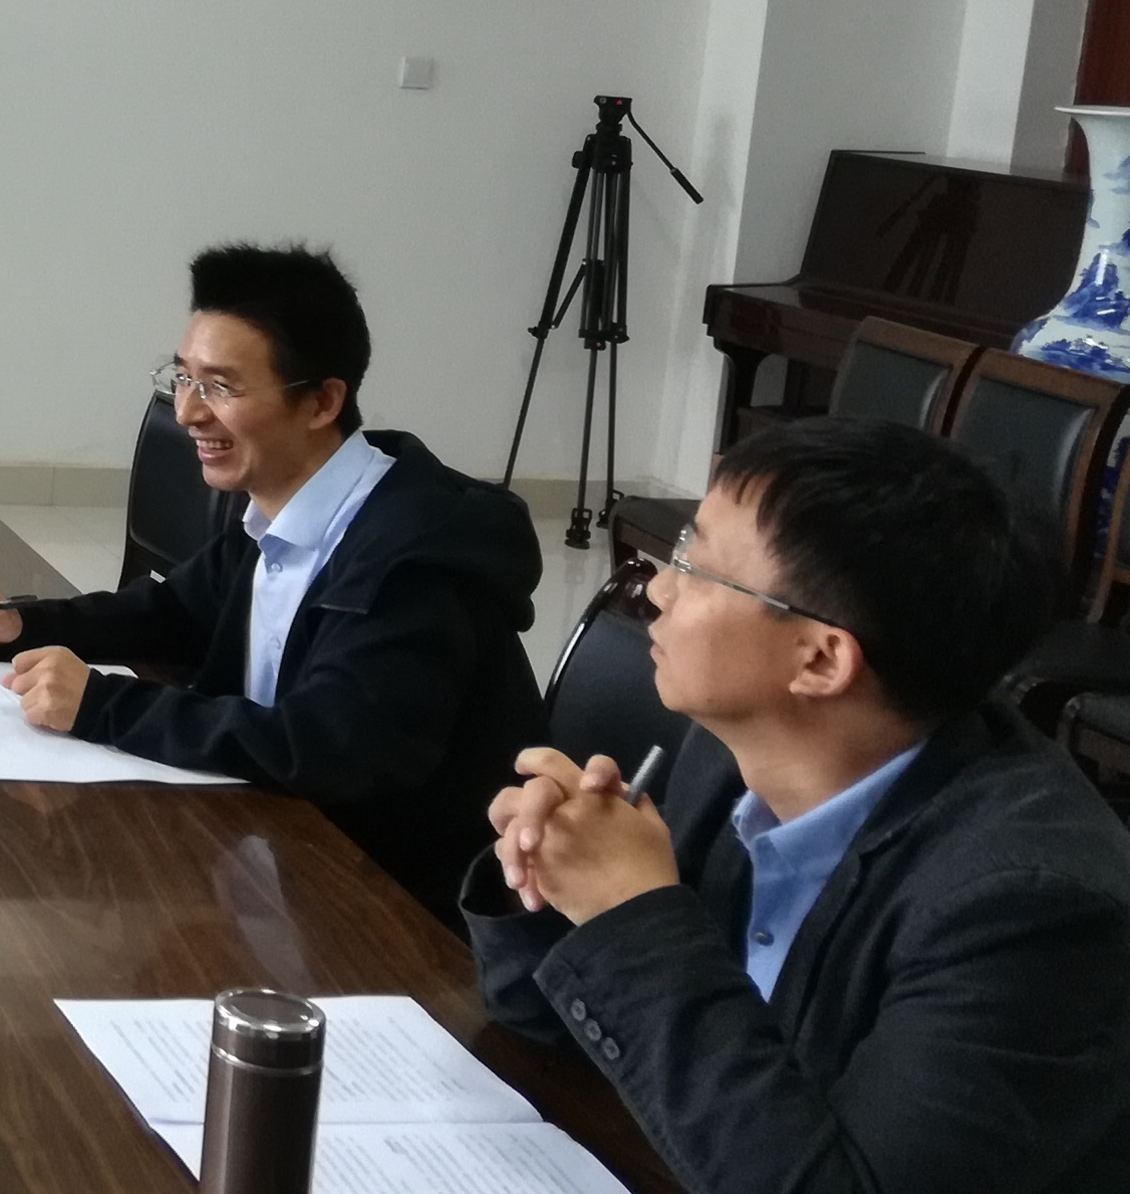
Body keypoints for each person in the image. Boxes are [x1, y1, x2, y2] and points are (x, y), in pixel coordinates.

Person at [472, 418, 1130, 1193]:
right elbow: (544, 1021)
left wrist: (631, 915)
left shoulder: (1030, 908)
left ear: (820, 660)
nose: (656, 587)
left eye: (698, 568)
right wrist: (551, 872)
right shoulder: (735, 751)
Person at [0, 244, 543, 919]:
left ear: (322, 401)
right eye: (183, 378)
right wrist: (26, 622)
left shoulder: (412, 556)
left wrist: (101, 706)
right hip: (282, 847)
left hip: (391, 901)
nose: (187, 412)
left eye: (221, 387)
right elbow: (175, 612)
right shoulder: (286, 507)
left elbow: (330, 747)